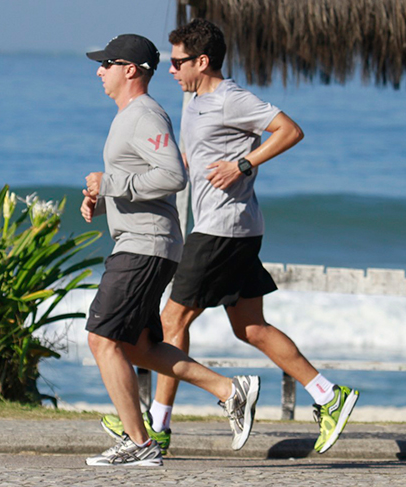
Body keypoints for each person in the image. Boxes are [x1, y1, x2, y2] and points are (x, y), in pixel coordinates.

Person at [101, 20, 359, 455]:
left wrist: (243, 163)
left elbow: (289, 130)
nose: (171, 69)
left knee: (169, 323)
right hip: (235, 227)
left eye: (179, 61)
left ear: (202, 62)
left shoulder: (229, 99)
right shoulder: (194, 100)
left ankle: (157, 426)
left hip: (223, 227)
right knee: (251, 328)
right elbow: (189, 158)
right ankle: (329, 396)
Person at [81, 33, 261, 467]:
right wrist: (102, 198)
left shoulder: (144, 115)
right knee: (140, 346)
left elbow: (173, 176)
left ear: (130, 70)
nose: (99, 71)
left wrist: (111, 184)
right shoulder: (128, 116)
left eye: (107, 63)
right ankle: (228, 390)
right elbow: (142, 179)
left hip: (146, 246)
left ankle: (140, 443)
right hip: (142, 242)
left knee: (101, 338)